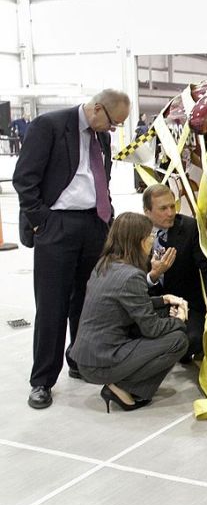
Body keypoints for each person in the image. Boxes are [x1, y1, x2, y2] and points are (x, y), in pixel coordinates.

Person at [13, 89, 130, 409]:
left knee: (87, 301)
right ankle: (42, 380)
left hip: (93, 226)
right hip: (57, 226)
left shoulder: (100, 137)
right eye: (113, 123)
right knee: (52, 305)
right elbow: (24, 179)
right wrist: (41, 223)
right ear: (96, 109)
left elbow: (100, 180)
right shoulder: (48, 126)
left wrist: (107, 220)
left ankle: (79, 360)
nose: (113, 130)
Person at [70, 213, 189, 411]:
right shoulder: (132, 276)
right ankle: (121, 387)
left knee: (163, 320)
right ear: (140, 241)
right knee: (178, 340)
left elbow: (125, 303)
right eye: (149, 235)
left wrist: (163, 300)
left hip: (88, 358)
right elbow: (152, 328)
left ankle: (132, 389)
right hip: (102, 362)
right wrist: (180, 320)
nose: (152, 239)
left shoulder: (104, 264)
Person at [143, 184, 207, 362]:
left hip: (185, 304)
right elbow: (125, 279)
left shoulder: (190, 227)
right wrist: (153, 276)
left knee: (193, 340)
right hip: (150, 306)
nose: (170, 213)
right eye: (163, 208)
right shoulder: (135, 231)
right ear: (147, 212)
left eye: (172, 206)